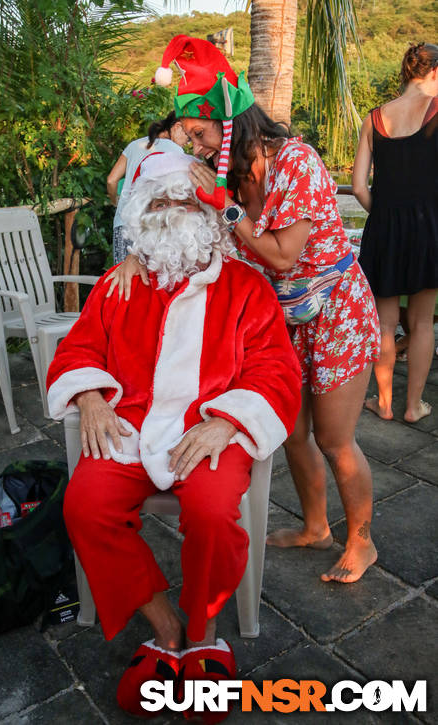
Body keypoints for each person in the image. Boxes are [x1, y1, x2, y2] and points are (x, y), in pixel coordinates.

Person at [107, 35, 381, 584]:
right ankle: (315, 526)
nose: (199, 147)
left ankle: (361, 539)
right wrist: (138, 258)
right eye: (191, 138)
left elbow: (282, 255)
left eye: (202, 134)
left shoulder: (296, 162)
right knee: (292, 433)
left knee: (333, 437)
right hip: (280, 321)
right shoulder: (229, 179)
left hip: (335, 314)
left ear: (230, 121)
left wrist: (225, 208)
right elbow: (192, 235)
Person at [47, 152, 301, 721]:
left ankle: (205, 631)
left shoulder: (245, 286)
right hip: (130, 424)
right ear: (141, 215)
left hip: (208, 430)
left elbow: (276, 371)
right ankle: (166, 629)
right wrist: (88, 396)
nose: (171, 212)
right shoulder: (119, 283)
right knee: (85, 506)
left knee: (213, 514)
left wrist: (229, 420)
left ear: (206, 213)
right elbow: (79, 349)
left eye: (182, 201)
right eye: (158, 203)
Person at [353, 42, 438, 423]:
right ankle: (413, 407)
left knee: (385, 324)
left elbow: (358, 187)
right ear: (434, 72)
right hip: (428, 229)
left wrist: (387, 217)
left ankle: (383, 403)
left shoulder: (373, 118)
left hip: (383, 231)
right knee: (421, 323)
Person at [107, 111, 189, 264]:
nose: (188, 143)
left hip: (124, 223)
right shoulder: (177, 152)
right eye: (188, 137)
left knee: (123, 280)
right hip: (155, 225)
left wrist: (115, 202)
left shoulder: (133, 146)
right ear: (177, 127)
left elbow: (111, 180)